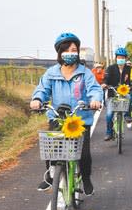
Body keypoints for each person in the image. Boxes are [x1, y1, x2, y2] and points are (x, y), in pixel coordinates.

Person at [30, 33, 103, 195]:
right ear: (60, 52)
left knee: (83, 154)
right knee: (51, 149)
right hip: (58, 117)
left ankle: (86, 178)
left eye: (74, 50)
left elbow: (95, 89)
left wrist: (95, 100)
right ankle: (50, 177)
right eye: (68, 50)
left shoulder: (85, 73)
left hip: (80, 118)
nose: (71, 53)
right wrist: (37, 99)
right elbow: (42, 89)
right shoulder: (51, 73)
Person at [102, 47, 132, 140]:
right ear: (116, 58)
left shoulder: (129, 69)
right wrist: (104, 83)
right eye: (119, 57)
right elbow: (106, 78)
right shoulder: (111, 68)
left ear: (126, 58)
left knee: (129, 96)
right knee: (109, 114)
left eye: (123, 57)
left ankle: (127, 115)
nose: (121, 59)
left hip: (124, 92)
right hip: (113, 93)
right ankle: (109, 133)